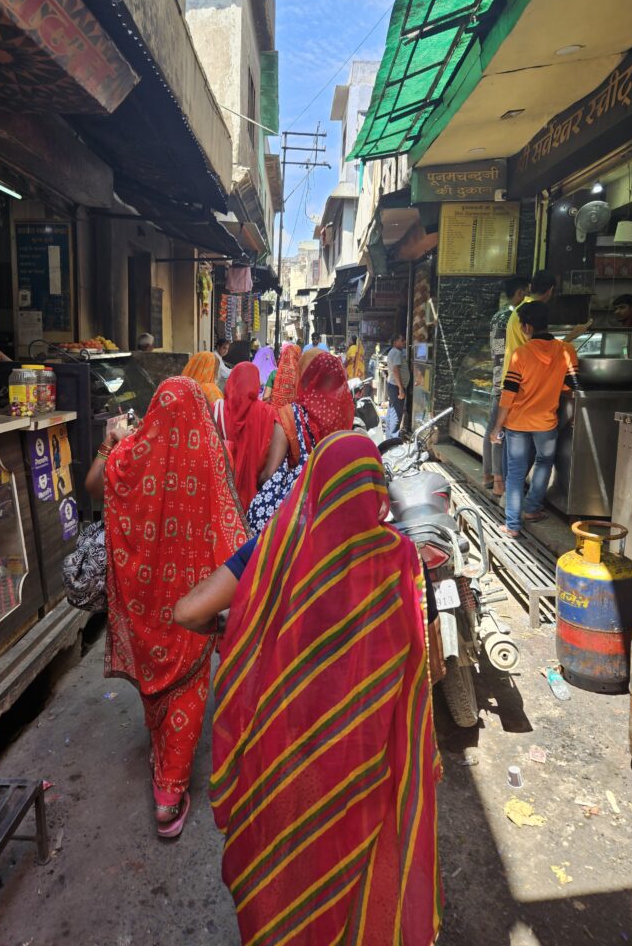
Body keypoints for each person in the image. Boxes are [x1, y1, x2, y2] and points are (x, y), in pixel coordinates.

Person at [174, 432, 443, 946]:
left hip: (286, 750)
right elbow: (427, 668)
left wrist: (237, 634)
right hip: (368, 755)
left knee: (289, 861)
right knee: (359, 864)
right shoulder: (402, 558)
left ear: (313, 482)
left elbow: (187, 611)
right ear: (375, 486)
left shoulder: (274, 548)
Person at [88, 377, 248, 837]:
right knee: (187, 691)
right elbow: (228, 528)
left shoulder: (134, 453)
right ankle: (168, 795)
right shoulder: (212, 453)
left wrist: (108, 445)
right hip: (192, 606)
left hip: (144, 604)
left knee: (155, 691)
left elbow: (94, 487)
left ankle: (165, 776)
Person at [491, 300, 579, 537]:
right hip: (547, 422)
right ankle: (531, 508)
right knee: (544, 463)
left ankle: (512, 525)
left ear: (527, 327)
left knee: (516, 473)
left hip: (517, 423)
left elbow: (508, 394)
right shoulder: (567, 350)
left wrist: (497, 426)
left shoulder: (521, 354)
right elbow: (570, 388)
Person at [248, 351, 354, 533]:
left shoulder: (291, 415)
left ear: (305, 374)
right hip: (335, 507)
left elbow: (269, 474)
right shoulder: (345, 414)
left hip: (297, 516)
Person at [483, 276, 529, 497]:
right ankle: (499, 481)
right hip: (508, 379)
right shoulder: (515, 317)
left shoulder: (496, 317)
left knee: (492, 428)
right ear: (520, 292)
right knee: (499, 431)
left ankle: (488, 475)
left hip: (496, 376)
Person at [501, 271, 588, 383]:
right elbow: (544, 352)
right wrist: (573, 335)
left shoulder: (523, 308)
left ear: (531, 287)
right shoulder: (531, 312)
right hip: (522, 382)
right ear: (551, 290)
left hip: (516, 379)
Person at [214, 362, 276, 512]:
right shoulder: (267, 412)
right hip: (254, 489)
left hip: (223, 487)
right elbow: (268, 451)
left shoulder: (217, 408)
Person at [385, 333, 409, 438]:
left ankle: (389, 436)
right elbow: (395, 370)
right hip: (396, 386)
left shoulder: (392, 351)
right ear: (395, 342)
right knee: (396, 413)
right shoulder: (397, 352)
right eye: (402, 340)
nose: (404, 342)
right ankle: (393, 439)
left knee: (391, 410)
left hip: (392, 385)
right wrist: (401, 388)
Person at [268, 342, 301, 408]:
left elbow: (265, 397)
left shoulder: (274, 373)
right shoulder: (301, 375)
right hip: (293, 414)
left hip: (276, 413)